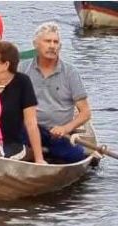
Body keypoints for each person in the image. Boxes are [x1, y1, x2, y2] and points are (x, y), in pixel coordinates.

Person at [23, 23, 92, 164]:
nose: (52, 46)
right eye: (47, 41)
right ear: (36, 44)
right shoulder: (22, 69)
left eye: (56, 42)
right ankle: (34, 152)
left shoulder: (70, 72)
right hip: (28, 130)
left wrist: (65, 128)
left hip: (58, 134)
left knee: (76, 155)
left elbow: (85, 113)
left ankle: (38, 153)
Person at [0, 42, 45, 163]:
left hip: (11, 143)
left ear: (6, 64)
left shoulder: (22, 82)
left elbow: (31, 122)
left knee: (1, 160)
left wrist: (39, 158)